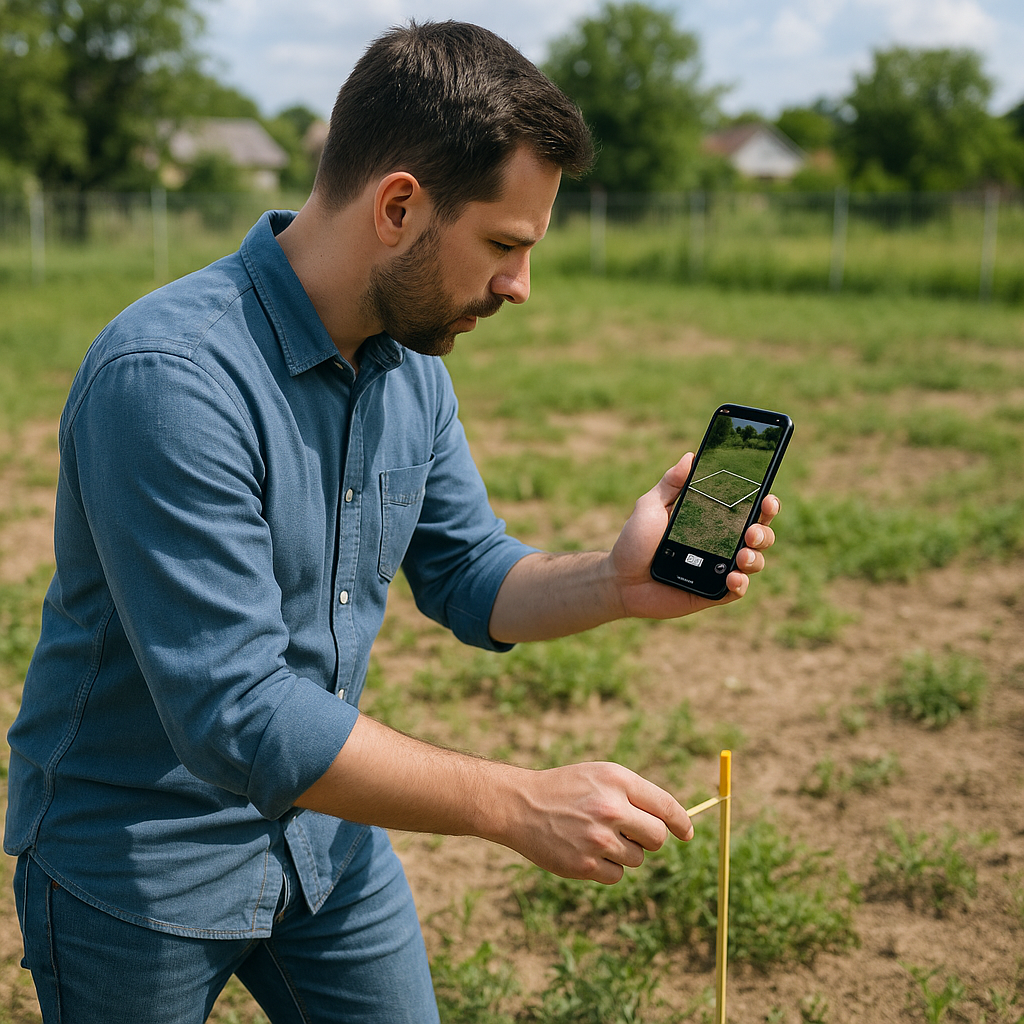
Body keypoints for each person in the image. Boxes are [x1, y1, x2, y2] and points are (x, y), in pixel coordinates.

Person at [4, 20, 779, 1024]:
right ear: (401, 205)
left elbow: (467, 571)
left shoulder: (407, 366)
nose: (520, 286)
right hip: (137, 867)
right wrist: (515, 801)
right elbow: (240, 714)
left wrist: (614, 581)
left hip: (327, 843)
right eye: (503, 245)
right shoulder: (170, 378)